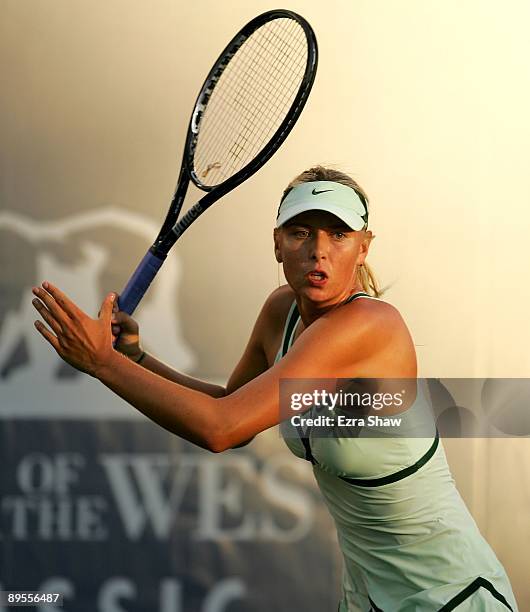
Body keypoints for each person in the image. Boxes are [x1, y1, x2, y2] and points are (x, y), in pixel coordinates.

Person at [31, 166, 518, 611]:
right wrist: (133, 359)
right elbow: (231, 410)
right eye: (300, 232)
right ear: (277, 243)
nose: (318, 250)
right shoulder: (280, 312)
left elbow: (219, 429)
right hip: (371, 597)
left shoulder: (371, 325)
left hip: (452, 594)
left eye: (339, 234)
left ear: (363, 248)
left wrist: (102, 364)